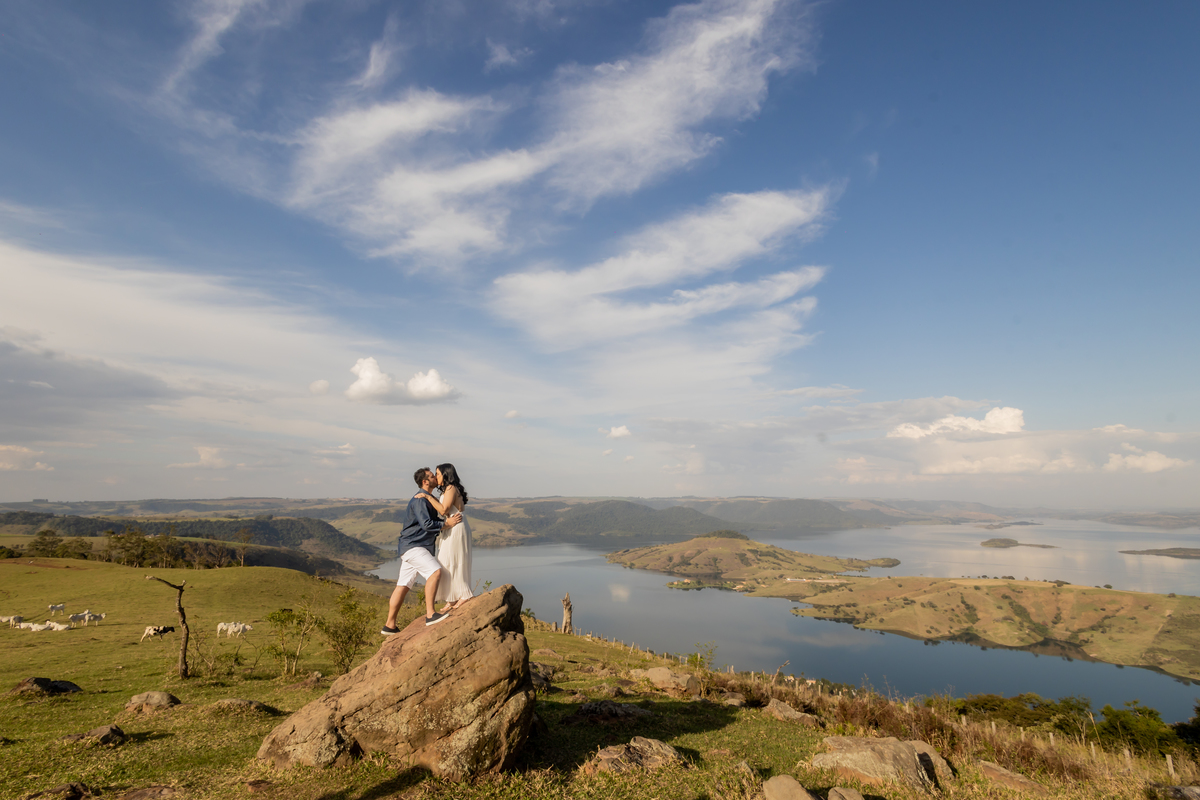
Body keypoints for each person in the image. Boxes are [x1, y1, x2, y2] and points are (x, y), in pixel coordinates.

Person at [381, 467, 463, 633]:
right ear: (425, 481)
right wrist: (446, 524)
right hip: (415, 546)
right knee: (435, 572)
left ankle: (390, 625)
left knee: (403, 585)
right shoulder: (420, 500)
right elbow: (427, 525)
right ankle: (430, 614)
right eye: (432, 476)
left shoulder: (427, 498)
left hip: (410, 546)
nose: (435, 478)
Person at [417, 463, 474, 612]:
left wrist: (427, 497)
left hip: (456, 528)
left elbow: (443, 510)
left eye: (438, 473)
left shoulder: (451, 488)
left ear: (445, 474)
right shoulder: (448, 489)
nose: (436, 477)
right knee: (446, 562)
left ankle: (464, 595)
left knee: (456, 561)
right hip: (451, 527)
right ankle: (451, 598)